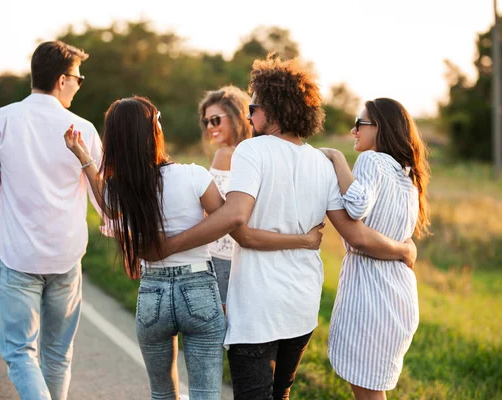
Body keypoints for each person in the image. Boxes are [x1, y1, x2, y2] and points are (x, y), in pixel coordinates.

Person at [154, 56, 418, 400]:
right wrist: (404, 248)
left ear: (272, 109)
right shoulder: (321, 162)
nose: (248, 116)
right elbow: (353, 234)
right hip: (301, 306)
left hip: (258, 306)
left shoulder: (251, 150)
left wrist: (169, 244)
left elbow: (236, 219)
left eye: (253, 107)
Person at [63, 95, 323, 400]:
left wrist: (84, 157)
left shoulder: (122, 192)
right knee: (204, 394)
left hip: (153, 293)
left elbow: (106, 205)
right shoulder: (193, 176)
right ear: (154, 131)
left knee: (162, 394)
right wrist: (300, 238)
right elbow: (230, 222)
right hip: (198, 288)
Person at [0, 41, 99, 400]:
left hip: (19, 256)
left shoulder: (1, 120)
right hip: (67, 258)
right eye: (77, 78)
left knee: (20, 353)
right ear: (61, 80)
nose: (78, 84)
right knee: (57, 355)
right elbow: (106, 204)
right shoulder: (83, 129)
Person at [322, 98, 430, 400]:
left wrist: (335, 157)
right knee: (372, 390)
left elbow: (356, 206)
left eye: (360, 124)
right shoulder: (407, 174)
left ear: (379, 127)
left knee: (368, 394)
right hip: (399, 293)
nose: (353, 130)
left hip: (371, 293)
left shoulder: (372, 160)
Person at [198, 85, 251, 307]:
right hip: (248, 257)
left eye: (216, 120)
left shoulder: (225, 154)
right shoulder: (254, 152)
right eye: (206, 121)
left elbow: (211, 210)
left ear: (236, 117)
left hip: (222, 255)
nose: (210, 127)